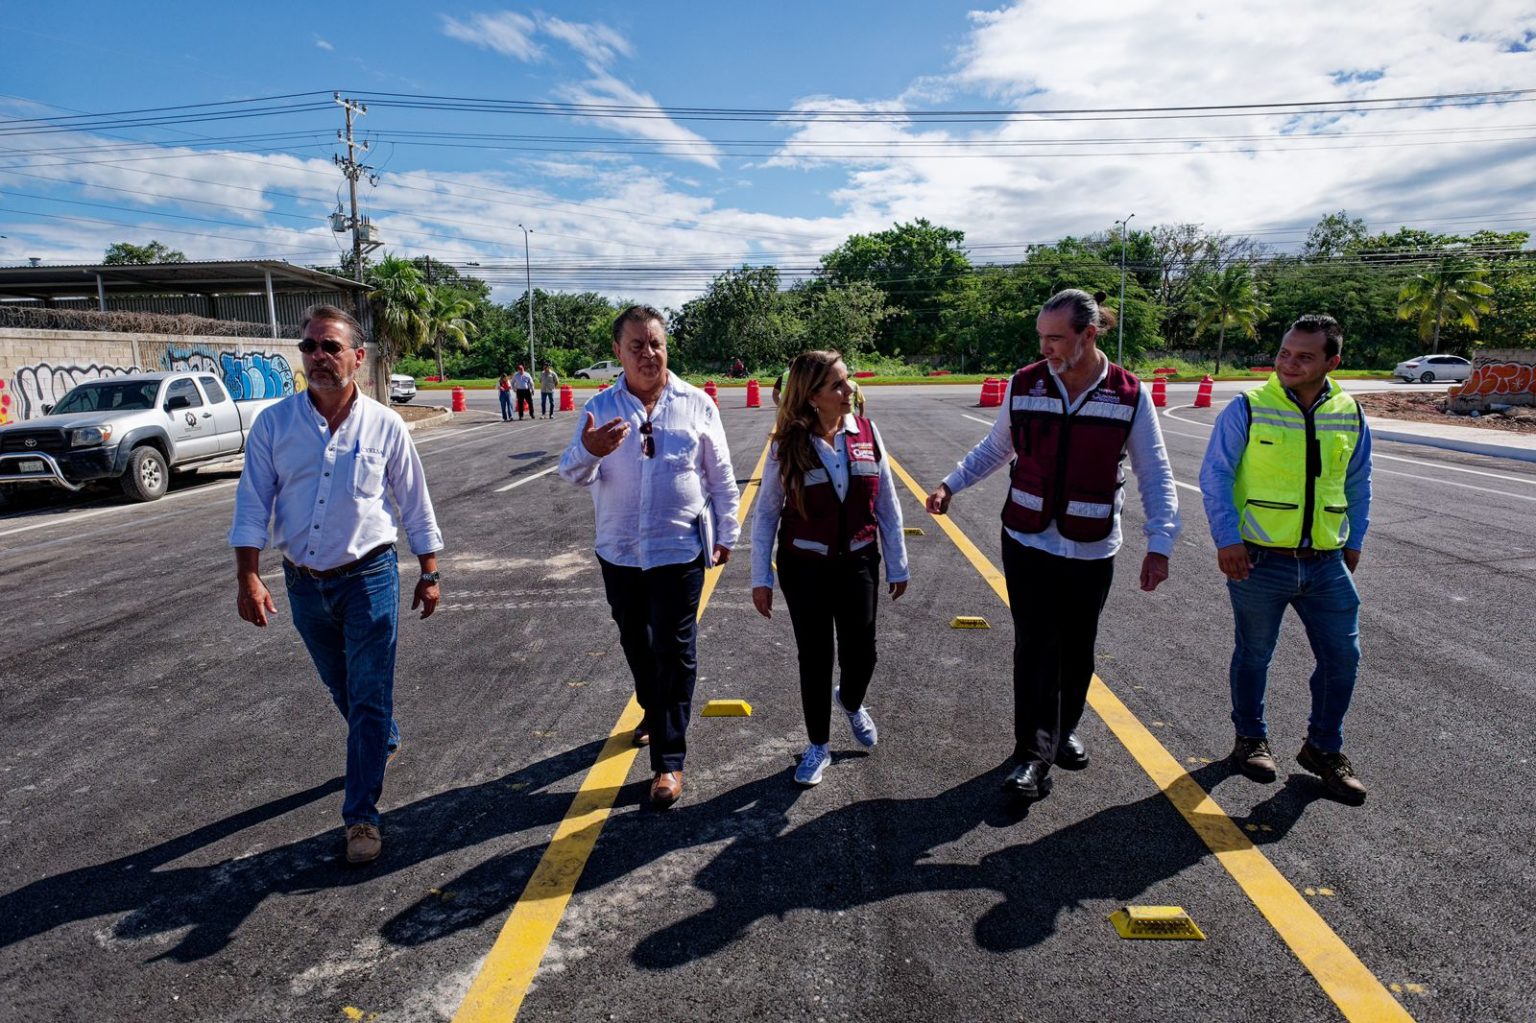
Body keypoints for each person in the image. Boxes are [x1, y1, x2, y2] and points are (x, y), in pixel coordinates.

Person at [925, 289, 1179, 801]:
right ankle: (1032, 756)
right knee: (1036, 646)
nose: (1046, 349)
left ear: (1090, 334)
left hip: (1092, 546)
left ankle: (1062, 730)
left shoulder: (1129, 394)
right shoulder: (1025, 383)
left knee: (1077, 650)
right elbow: (997, 447)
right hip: (1026, 538)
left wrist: (1161, 543)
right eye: (1041, 338)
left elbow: (1155, 471)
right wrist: (951, 483)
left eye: (1057, 339)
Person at [230, 304, 443, 864]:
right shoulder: (275, 425)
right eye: (309, 347)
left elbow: (413, 503)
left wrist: (430, 571)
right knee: (341, 687)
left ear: (358, 356)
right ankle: (382, 741)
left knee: (368, 696)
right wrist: (249, 576)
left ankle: (362, 818)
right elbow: (252, 505)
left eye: (330, 347)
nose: (319, 357)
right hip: (303, 583)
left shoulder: (386, 425)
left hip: (369, 577)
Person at [558, 305, 741, 808]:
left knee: (675, 652)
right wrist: (590, 450)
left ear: (667, 347)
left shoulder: (697, 404)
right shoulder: (599, 406)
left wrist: (729, 530)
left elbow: (721, 477)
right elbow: (571, 473)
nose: (648, 353)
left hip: (678, 549)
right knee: (638, 646)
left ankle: (668, 762)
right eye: (636, 345)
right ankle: (653, 710)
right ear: (617, 352)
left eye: (655, 343)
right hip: (619, 552)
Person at [1198, 314, 1372, 805]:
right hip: (1258, 559)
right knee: (1255, 653)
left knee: (1343, 658)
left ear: (1332, 362)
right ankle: (1249, 740)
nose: (1289, 363)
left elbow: (1358, 481)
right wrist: (1227, 539)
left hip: (1326, 561)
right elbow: (1216, 475)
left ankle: (1323, 748)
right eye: (1284, 353)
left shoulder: (1349, 411)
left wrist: (1353, 539)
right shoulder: (1249, 407)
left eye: (1304, 356)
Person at [751, 351, 909, 787]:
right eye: (837, 384)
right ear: (813, 396)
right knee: (815, 658)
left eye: (848, 381)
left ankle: (852, 700)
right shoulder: (787, 446)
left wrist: (898, 563)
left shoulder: (868, 432)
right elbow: (766, 515)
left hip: (858, 562)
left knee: (863, 652)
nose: (849, 390)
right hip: (805, 569)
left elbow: (887, 506)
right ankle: (818, 744)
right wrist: (760, 577)